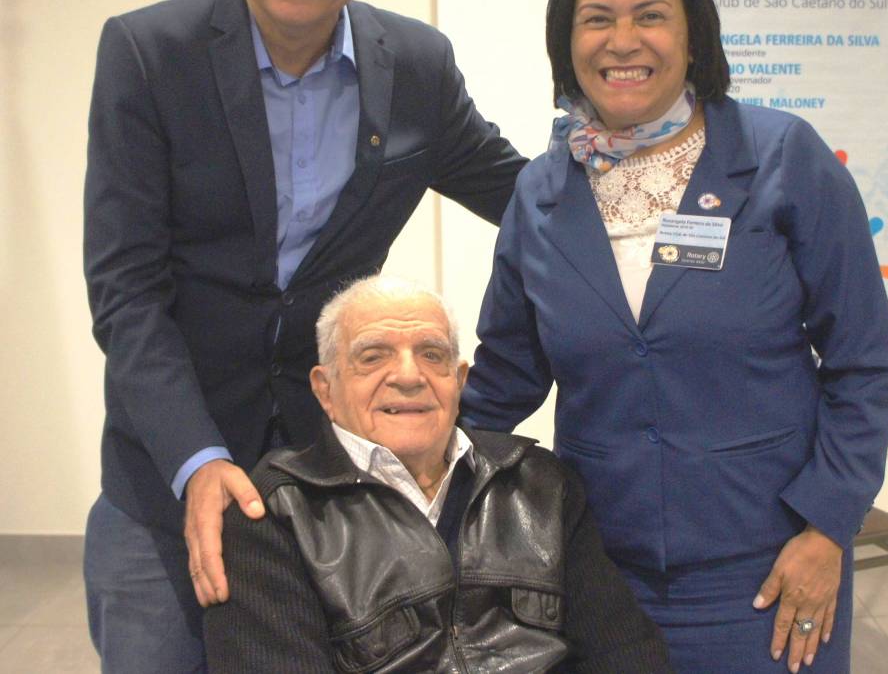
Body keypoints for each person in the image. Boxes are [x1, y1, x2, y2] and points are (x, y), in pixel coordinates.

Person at [82, 0, 525, 671]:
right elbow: (126, 290)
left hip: (332, 483)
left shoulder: (416, 65)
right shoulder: (150, 53)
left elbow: (523, 199)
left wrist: (635, 156)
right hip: (165, 481)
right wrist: (196, 458)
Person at [459, 0, 888, 674]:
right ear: (567, 42)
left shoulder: (783, 158)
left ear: (693, 36)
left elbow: (865, 362)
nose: (622, 40)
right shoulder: (541, 192)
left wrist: (828, 527)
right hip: (598, 572)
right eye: (597, 19)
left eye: (651, 16)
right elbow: (504, 378)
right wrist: (396, 459)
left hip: (771, 570)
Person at [202, 276, 672, 673]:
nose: (409, 376)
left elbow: (627, 654)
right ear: (326, 390)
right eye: (373, 356)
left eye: (432, 354)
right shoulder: (273, 513)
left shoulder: (539, 484)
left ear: (459, 380)